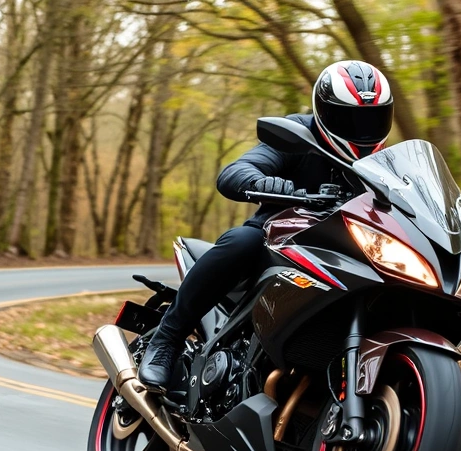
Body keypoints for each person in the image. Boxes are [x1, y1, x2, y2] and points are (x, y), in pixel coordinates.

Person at [138, 60, 396, 400]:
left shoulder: (386, 164)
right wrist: (279, 187)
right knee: (243, 240)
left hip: (343, 255)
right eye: (350, 119)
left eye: (373, 119)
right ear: (324, 112)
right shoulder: (297, 135)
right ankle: (167, 339)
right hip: (279, 241)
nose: (362, 130)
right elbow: (237, 171)